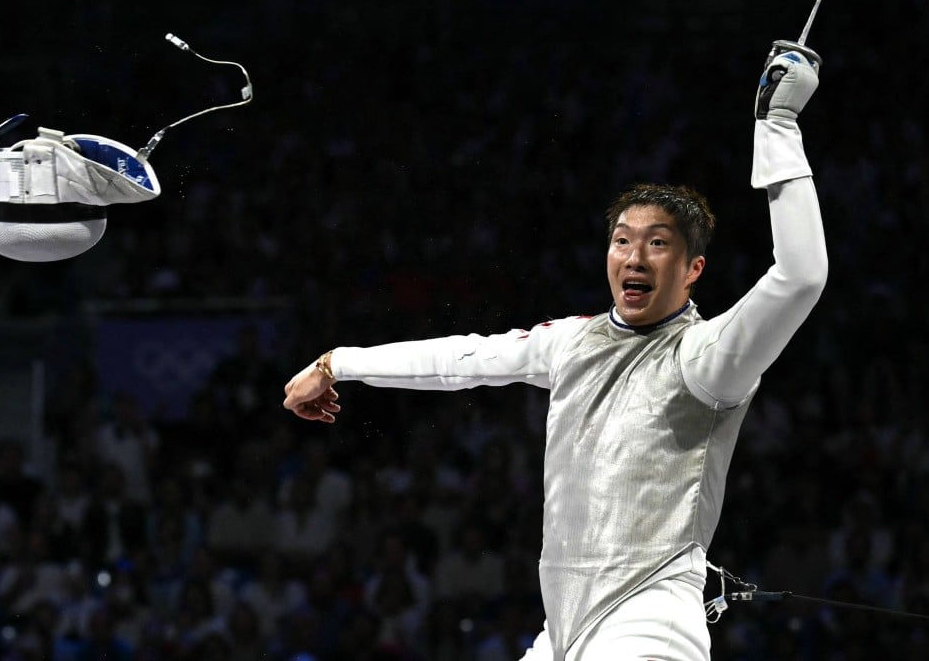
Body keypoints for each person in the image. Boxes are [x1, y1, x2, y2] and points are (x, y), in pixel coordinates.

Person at [283, 44, 827, 661]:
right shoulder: (573, 340)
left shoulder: (708, 356)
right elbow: (462, 360)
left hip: (648, 622)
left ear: (693, 267)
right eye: (622, 240)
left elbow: (801, 276)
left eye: (656, 244)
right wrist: (338, 363)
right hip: (563, 630)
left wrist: (778, 126)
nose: (635, 257)